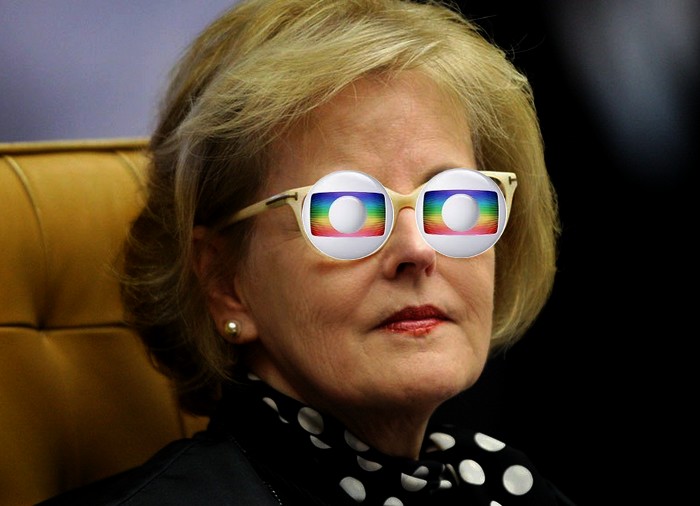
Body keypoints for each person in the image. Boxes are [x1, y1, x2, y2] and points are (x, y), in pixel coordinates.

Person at [38, 0, 574, 504]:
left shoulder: (508, 488)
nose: (417, 249)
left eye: (456, 202)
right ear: (225, 283)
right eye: (345, 211)